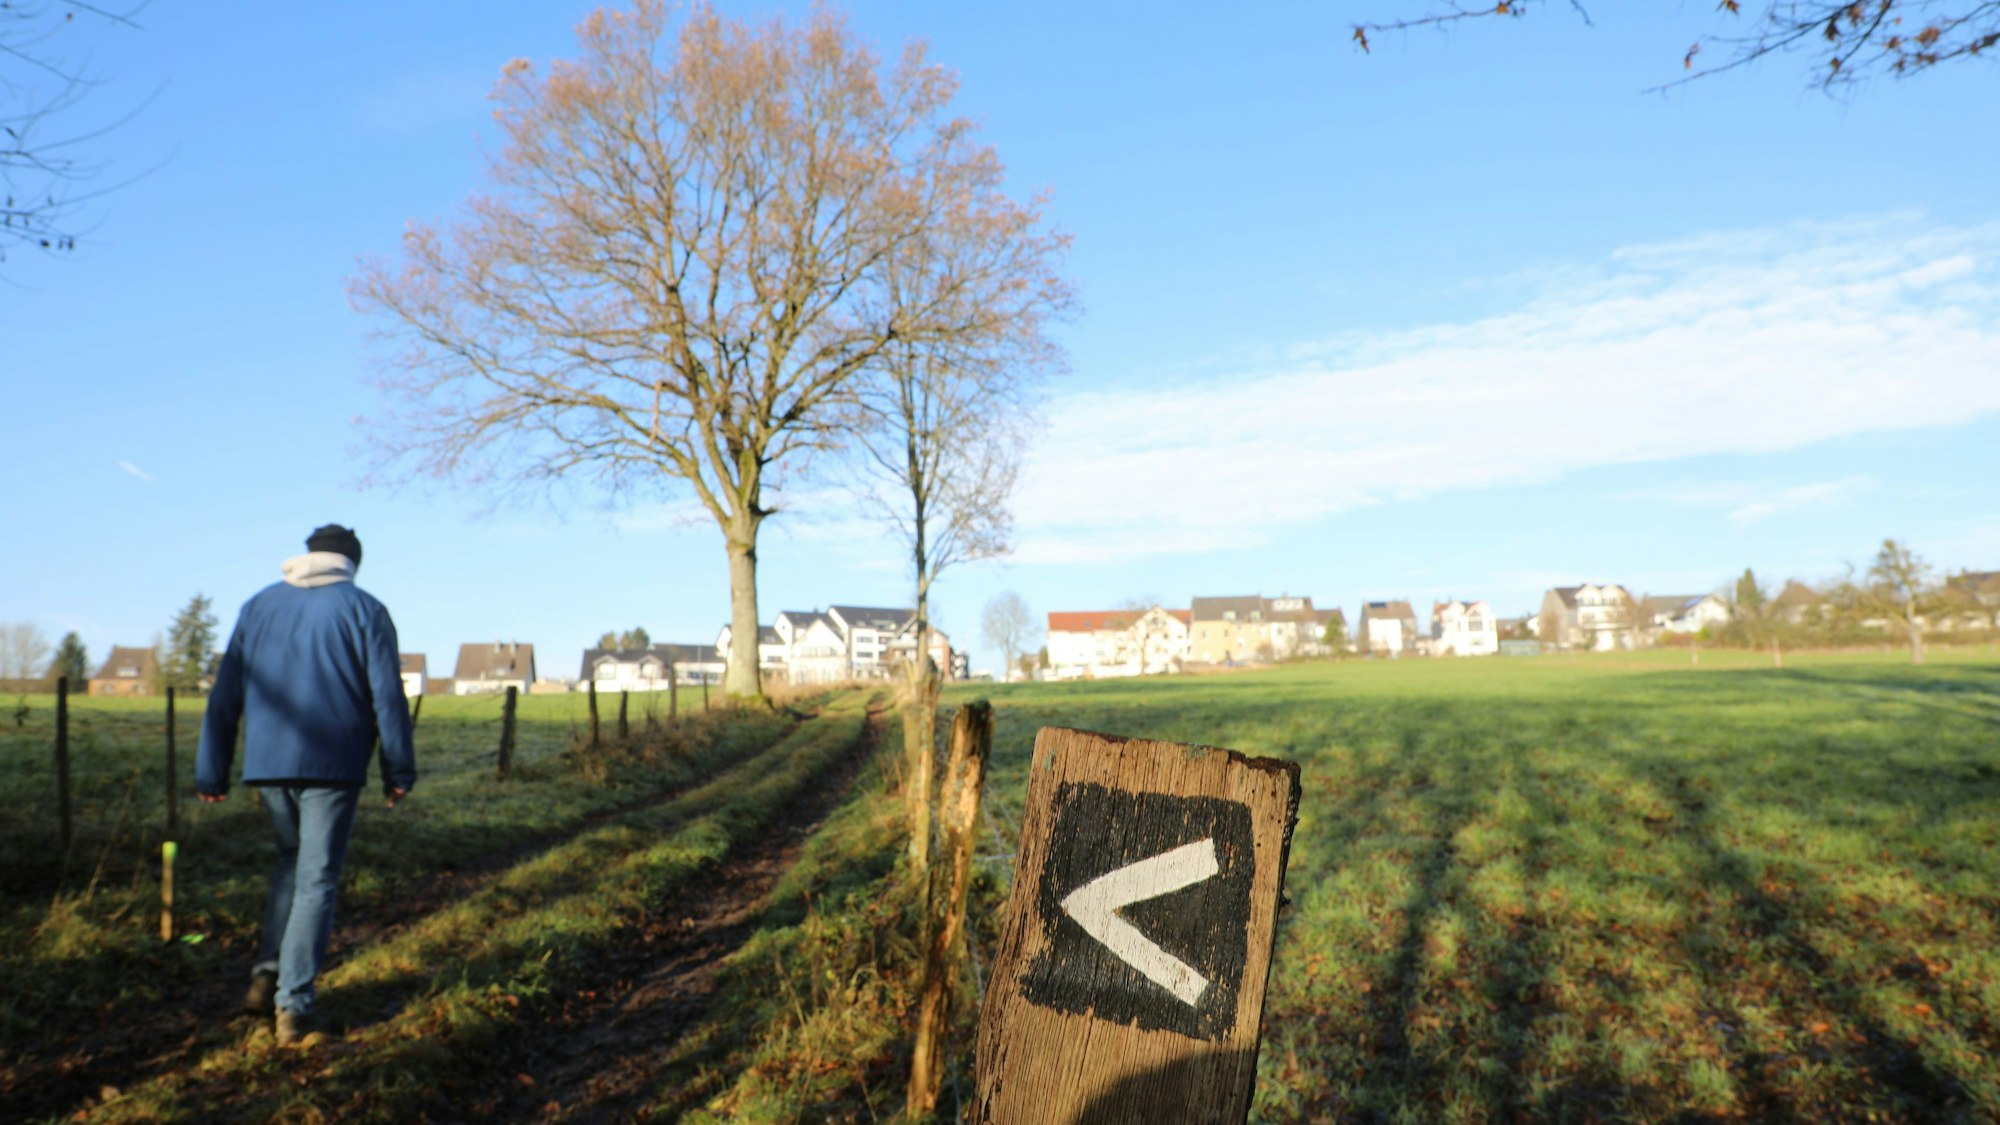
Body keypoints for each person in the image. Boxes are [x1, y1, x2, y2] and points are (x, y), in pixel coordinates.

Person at [195, 524, 417, 1046]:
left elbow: (225, 693)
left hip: (268, 763)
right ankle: (293, 1006)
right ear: (352, 564)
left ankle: (267, 971)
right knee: (316, 878)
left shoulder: (258, 606)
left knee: (290, 864)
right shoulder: (364, 609)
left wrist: (212, 770)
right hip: (333, 763)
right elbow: (387, 696)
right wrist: (398, 770)